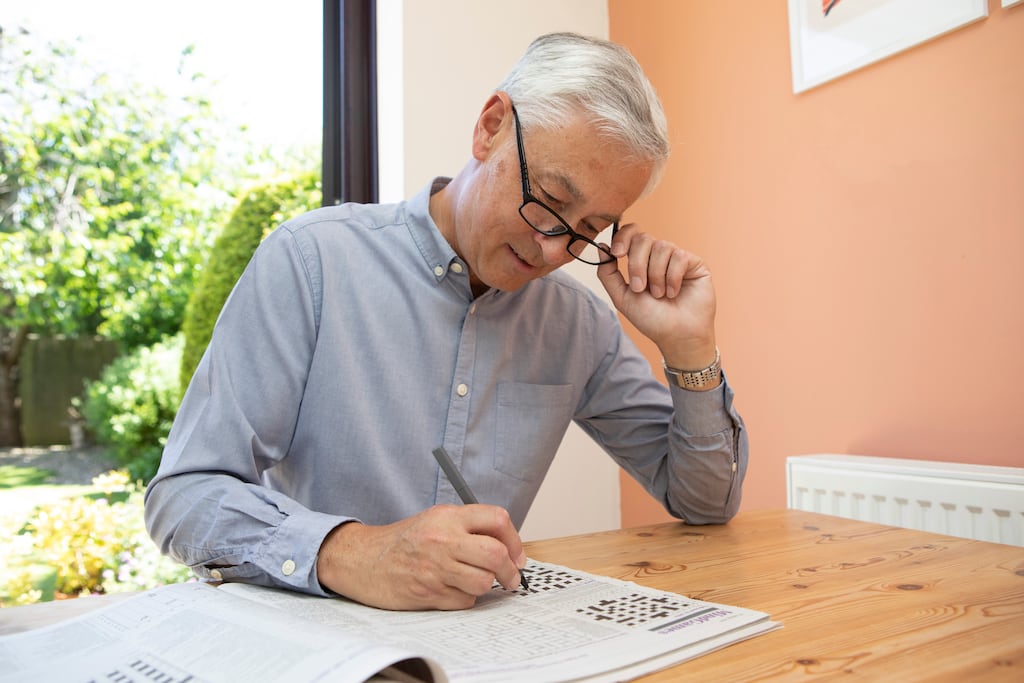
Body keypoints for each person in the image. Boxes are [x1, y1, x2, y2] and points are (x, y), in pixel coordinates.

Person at [145, 32, 748, 611]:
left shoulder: (578, 321)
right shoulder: (312, 261)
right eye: (551, 202)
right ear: (490, 127)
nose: (551, 251)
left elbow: (705, 501)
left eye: (588, 230)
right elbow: (184, 496)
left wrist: (689, 347)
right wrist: (354, 552)